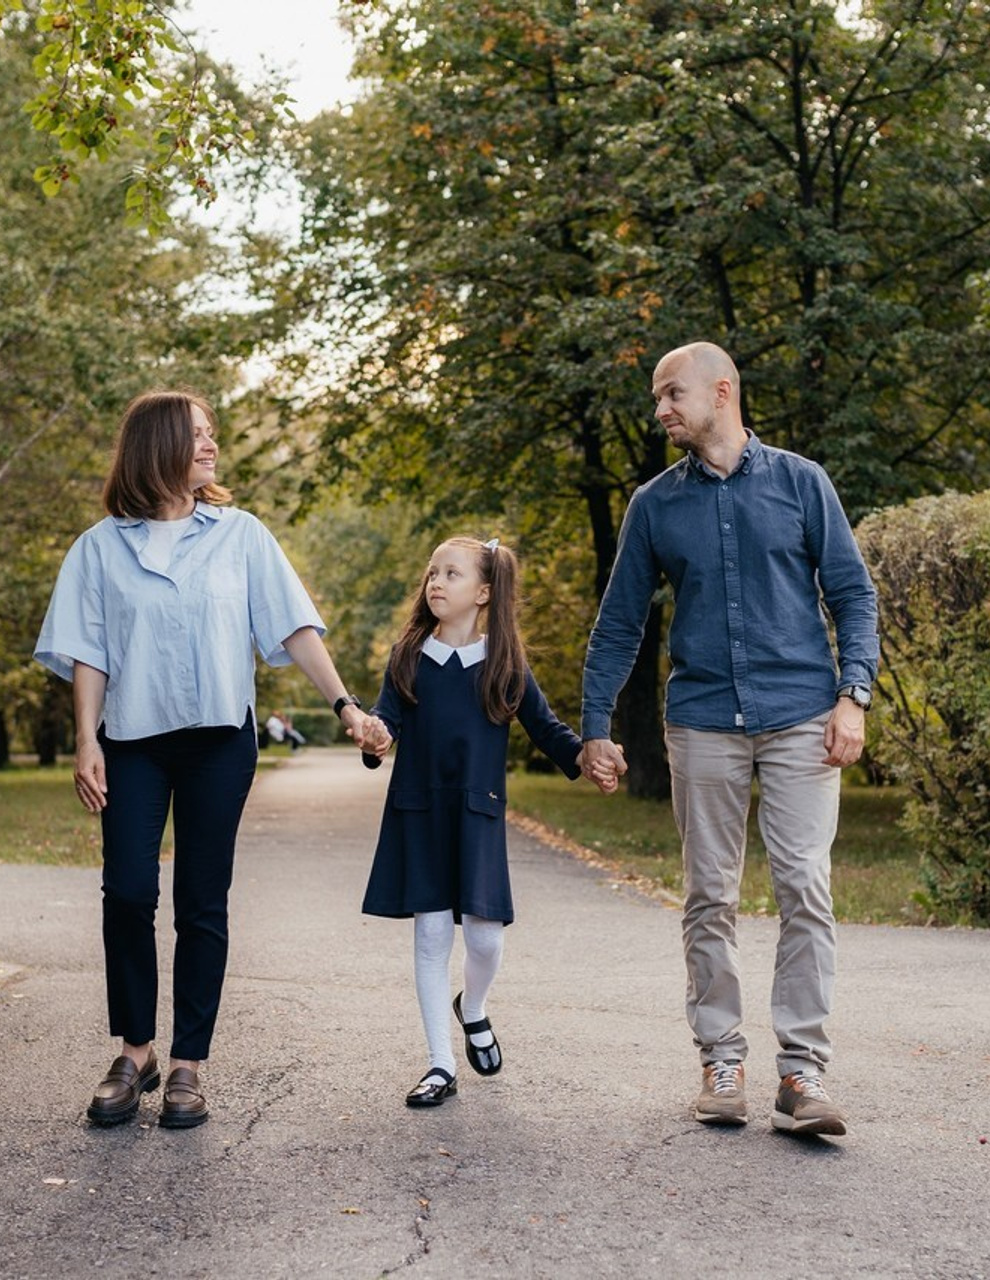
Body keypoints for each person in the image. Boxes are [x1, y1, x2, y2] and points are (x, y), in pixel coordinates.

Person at [34, 389, 387, 1130]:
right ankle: (136, 1051)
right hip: (132, 742)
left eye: (212, 435)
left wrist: (346, 705)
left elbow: (293, 628)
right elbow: (89, 652)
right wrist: (85, 738)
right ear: (155, 446)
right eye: (196, 435)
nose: (211, 446)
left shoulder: (242, 536)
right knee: (128, 892)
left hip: (220, 742)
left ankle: (189, 1063)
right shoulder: (100, 548)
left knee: (202, 898)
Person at [580, 342, 878, 1137]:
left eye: (671, 395)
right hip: (704, 717)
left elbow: (852, 593)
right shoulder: (654, 504)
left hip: (801, 716)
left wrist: (854, 698)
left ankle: (802, 1074)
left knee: (804, 890)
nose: (661, 411)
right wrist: (594, 727)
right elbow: (619, 624)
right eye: (655, 399)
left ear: (722, 391)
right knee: (708, 894)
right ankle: (721, 1059)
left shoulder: (801, 482)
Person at [360, 537, 618, 1108]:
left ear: (482, 593)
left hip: (478, 812)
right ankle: (440, 1063)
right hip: (420, 809)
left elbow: (549, 732)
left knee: (484, 936)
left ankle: (472, 1007)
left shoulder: (505, 665)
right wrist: (376, 737)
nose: (435, 582)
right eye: (432, 572)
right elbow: (385, 721)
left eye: (451, 573)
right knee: (429, 933)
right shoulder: (408, 656)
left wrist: (587, 758)